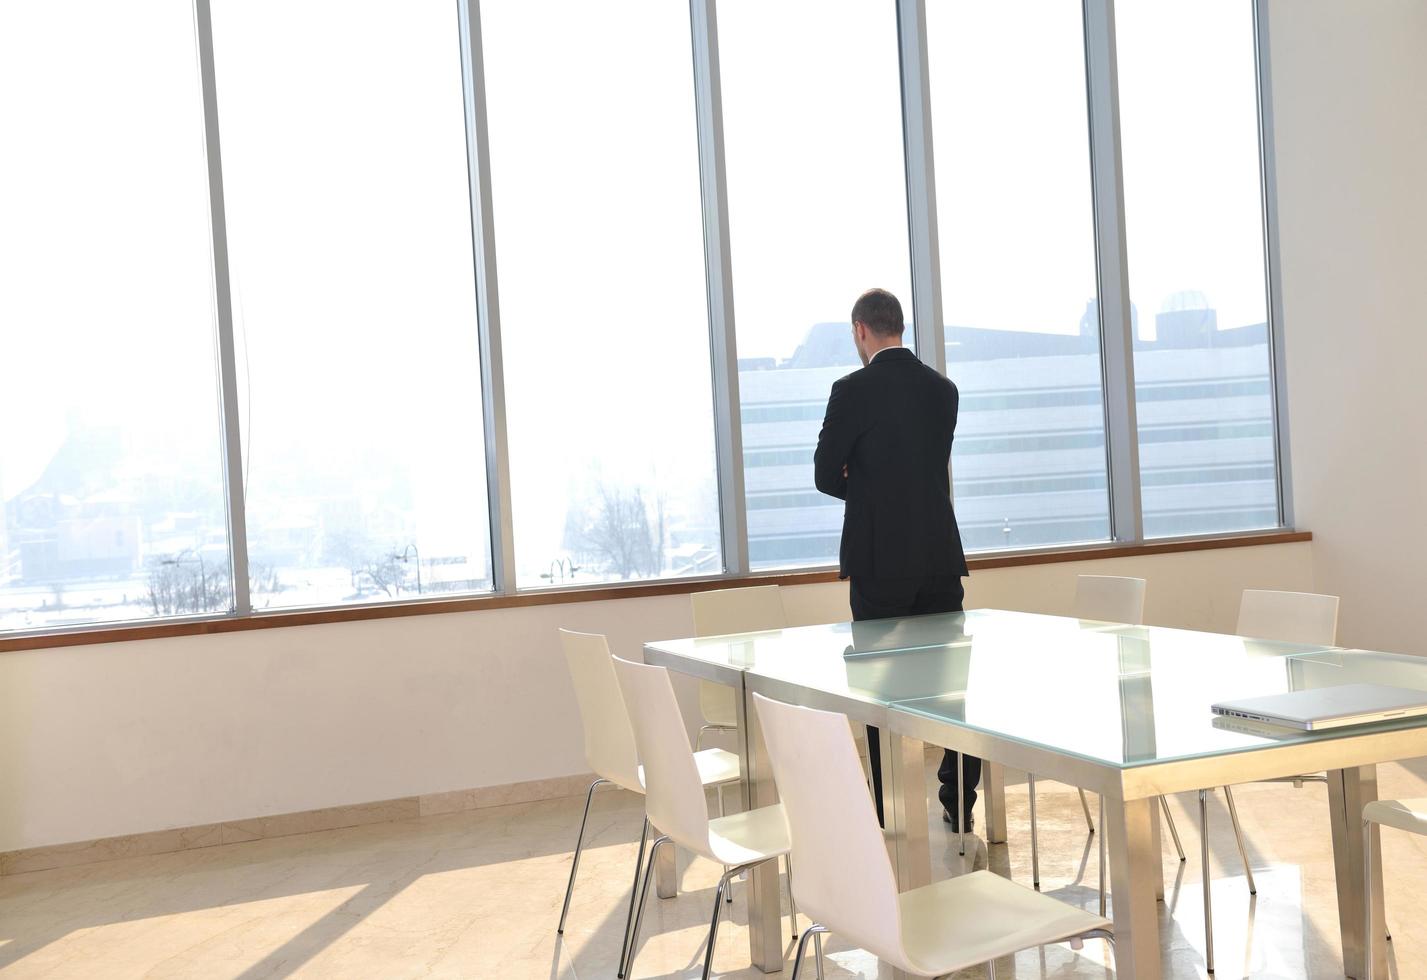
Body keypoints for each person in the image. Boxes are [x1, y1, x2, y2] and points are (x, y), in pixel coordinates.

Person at [813, 287, 976, 832]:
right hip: (937, 557)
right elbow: (921, 471)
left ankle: (889, 810)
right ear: (898, 327)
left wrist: (861, 481)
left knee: (879, 689)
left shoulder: (850, 390)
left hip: (879, 558)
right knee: (952, 686)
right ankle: (960, 804)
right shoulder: (943, 391)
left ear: (862, 331)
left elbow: (823, 473)